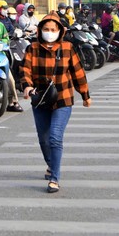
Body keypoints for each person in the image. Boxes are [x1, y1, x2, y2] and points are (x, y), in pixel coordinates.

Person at [21, 13, 91, 193]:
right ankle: (52, 165)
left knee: (55, 138)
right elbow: (25, 70)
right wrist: (27, 86)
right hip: (41, 99)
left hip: (63, 99)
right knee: (44, 140)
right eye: (46, 29)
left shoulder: (68, 48)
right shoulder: (32, 49)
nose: (49, 32)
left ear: (60, 31)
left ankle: (54, 178)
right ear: (40, 30)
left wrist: (85, 95)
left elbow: (78, 72)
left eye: (53, 29)